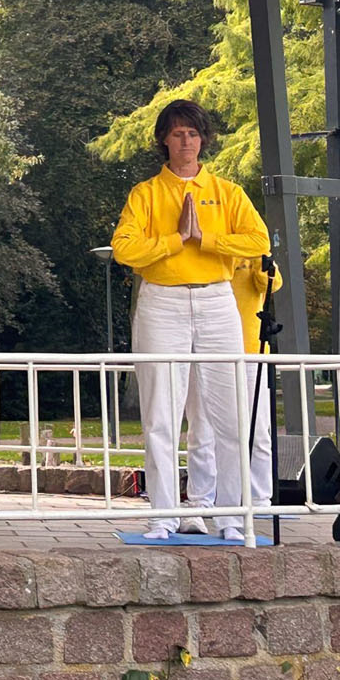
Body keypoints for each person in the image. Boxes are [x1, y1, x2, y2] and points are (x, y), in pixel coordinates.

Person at [111, 99, 269, 542]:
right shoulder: (146, 193)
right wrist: (175, 239)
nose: (186, 141)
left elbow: (258, 240)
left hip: (218, 300)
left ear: (203, 140)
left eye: (193, 134)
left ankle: (232, 515)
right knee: (161, 415)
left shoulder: (227, 191)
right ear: (164, 139)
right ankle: (163, 515)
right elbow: (124, 248)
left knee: (231, 414)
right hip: (162, 301)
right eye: (178, 133)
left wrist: (207, 238)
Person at [184, 256, 283, 524]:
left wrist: (259, 260)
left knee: (258, 429)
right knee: (201, 427)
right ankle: (201, 501)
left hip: (249, 348)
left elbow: (271, 283)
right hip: (203, 348)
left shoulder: (252, 249)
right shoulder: (205, 249)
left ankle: (259, 499)